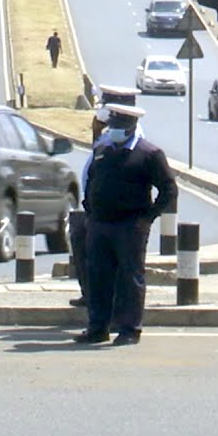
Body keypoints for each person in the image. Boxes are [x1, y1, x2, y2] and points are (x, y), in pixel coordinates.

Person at [73, 104, 176, 346]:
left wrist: (148, 217)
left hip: (130, 225)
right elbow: (92, 180)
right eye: (113, 126)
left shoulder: (149, 153)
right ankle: (97, 327)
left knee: (130, 278)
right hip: (100, 223)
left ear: (131, 127)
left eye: (120, 126)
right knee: (97, 276)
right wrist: (90, 209)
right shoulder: (103, 149)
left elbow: (169, 190)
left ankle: (129, 329)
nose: (115, 130)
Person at [72, 84, 140, 309]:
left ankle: (116, 314)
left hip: (117, 214)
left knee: (116, 265)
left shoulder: (132, 138)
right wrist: (96, 132)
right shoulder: (108, 136)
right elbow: (97, 163)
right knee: (85, 249)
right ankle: (90, 296)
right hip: (95, 208)